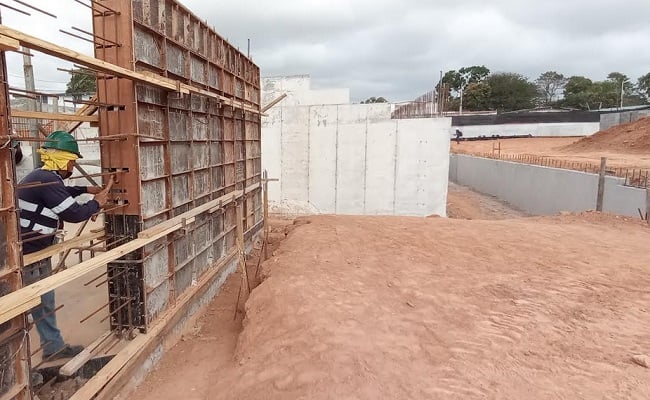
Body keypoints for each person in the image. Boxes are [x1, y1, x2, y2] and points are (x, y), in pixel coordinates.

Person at [18, 131, 111, 360]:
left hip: (35, 250)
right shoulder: (48, 180)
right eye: (71, 160)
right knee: (22, 306)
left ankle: (52, 347)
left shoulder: (43, 177)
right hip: (26, 254)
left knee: (44, 301)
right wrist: (96, 204)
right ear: (61, 159)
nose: (72, 165)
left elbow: (60, 193)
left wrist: (85, 190)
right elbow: (73, 213)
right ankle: (20, 362)